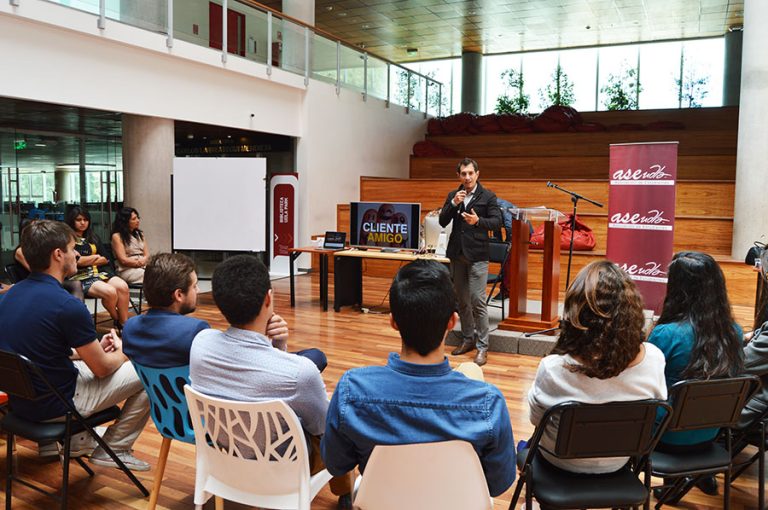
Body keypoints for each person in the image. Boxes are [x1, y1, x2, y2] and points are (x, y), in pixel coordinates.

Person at [321, 260, 516, 497]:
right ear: (452, 322)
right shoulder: (488, 403)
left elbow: (336, 464)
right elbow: (498, 484)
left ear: (393, 322)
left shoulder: (351, 390)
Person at [189, 255, 351, 508]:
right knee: (338, 420)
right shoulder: (300, 372)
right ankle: (346, 494)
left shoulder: (200, 344)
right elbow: (323, 427)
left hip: (225, 455)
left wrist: (278, 346)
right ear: (268, 298)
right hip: (284, 466)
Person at [0, 220, 150, 470]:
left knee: (86, 362)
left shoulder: (9, 296)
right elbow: (103, 368)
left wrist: (91, 348)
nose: (77, 255)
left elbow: (37, 350)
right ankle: (115, 447)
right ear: (58, 254)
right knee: (149, 370)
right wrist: (124, 350)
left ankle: (71, 443)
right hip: (58, 404)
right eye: (73, 249)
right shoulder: (66, 305)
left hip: (23, 402)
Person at [528, 260, 667, 473]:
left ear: (574, 312)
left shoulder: (553, 368)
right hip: (618, 462)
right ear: (631, 311)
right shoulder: (654, 358)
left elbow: (536, 420)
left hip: (560, 463)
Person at [648, 251, 744, 495]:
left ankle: (674, 485)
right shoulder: (734, 332)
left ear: (677, 288)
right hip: (710, 433)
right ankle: (700, 474)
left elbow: (646, 384)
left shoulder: (666, 334)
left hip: (665, 438)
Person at [439, 157, 502, 366]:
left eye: (470, 173)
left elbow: (497, 222)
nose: (467, 177)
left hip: (477, 256)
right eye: (463, 174)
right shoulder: (453, 195)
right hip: (457, 255)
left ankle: (483, 346)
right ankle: (468, 339)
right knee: (462, 301)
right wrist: (453, 204)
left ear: (477, 174)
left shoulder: (488, 196)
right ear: (459, 176)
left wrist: (478, 221)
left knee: (477, 300)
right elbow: (442, 221)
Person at [122, 253, 209, 368]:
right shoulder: (196, 331)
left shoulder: (129, 327)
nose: (198, 290)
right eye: (194, 286)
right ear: (178, 295)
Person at [65, 206, 130, 328]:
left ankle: (124, 323)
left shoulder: (93, 237)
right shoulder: (67, 239)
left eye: (85, 220)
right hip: (80, 277)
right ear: (72, 221)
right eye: (79, 220)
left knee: (123, 287)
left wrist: (86, 260)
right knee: (110, 292)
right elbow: (75, 261)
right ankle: (117, 318)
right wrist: (94, 258)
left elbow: (105, 258)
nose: (83, 223)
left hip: (100, 272)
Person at [111, 207, 149, 285]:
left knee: (162, 272)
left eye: (138, 218)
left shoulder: (140, 234)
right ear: (125, 221)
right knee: (154, 276)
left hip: (143, 266)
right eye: (134, 219)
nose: (137, 220)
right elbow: (123, 260)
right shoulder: (117, 236)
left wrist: (143, 261)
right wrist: (139, 262)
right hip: (126, 270)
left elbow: (147, 254)